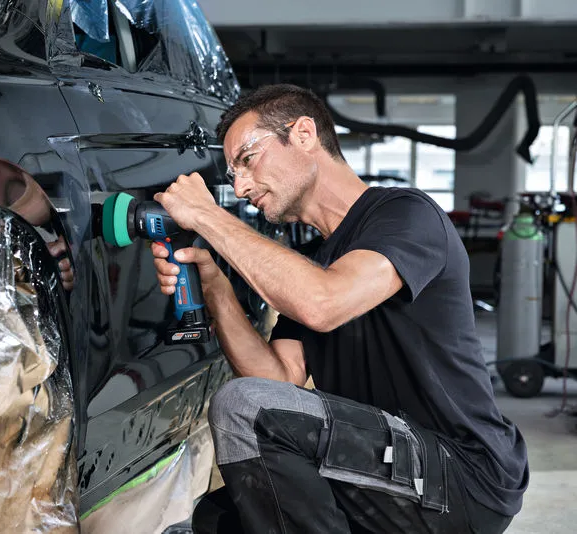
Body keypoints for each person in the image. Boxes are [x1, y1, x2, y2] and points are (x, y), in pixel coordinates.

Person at [150, 84, 528, 534]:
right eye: (233, 173)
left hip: (460, 475)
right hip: (385, 466)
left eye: (247, 160)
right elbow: (275, 379)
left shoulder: (407, 215)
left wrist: (207, 216)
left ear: (303, 134)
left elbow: (323, 303)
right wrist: (214, 286)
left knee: (242, 405)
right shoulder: (315, 264)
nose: (241, 186)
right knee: (215, 520)